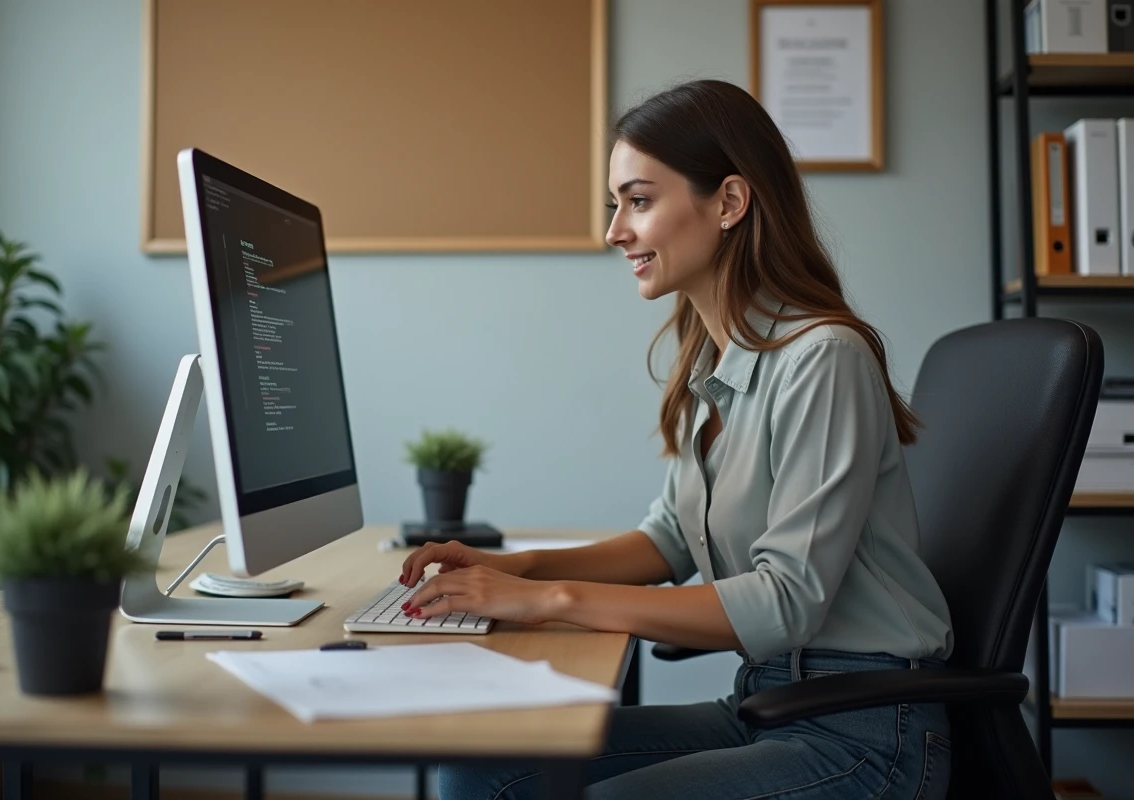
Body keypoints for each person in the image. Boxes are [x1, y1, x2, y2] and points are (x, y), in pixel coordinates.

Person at [398, 78, 955, 800]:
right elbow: (666, 543)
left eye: (639, 200)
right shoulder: (715, 363)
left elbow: (788, 600)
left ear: (728, 202)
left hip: (869, 732)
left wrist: (550, 601)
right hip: (769, 705)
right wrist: (514, 569)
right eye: (616, 205)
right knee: (481, 768)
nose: (614, 231)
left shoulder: (824, 358)